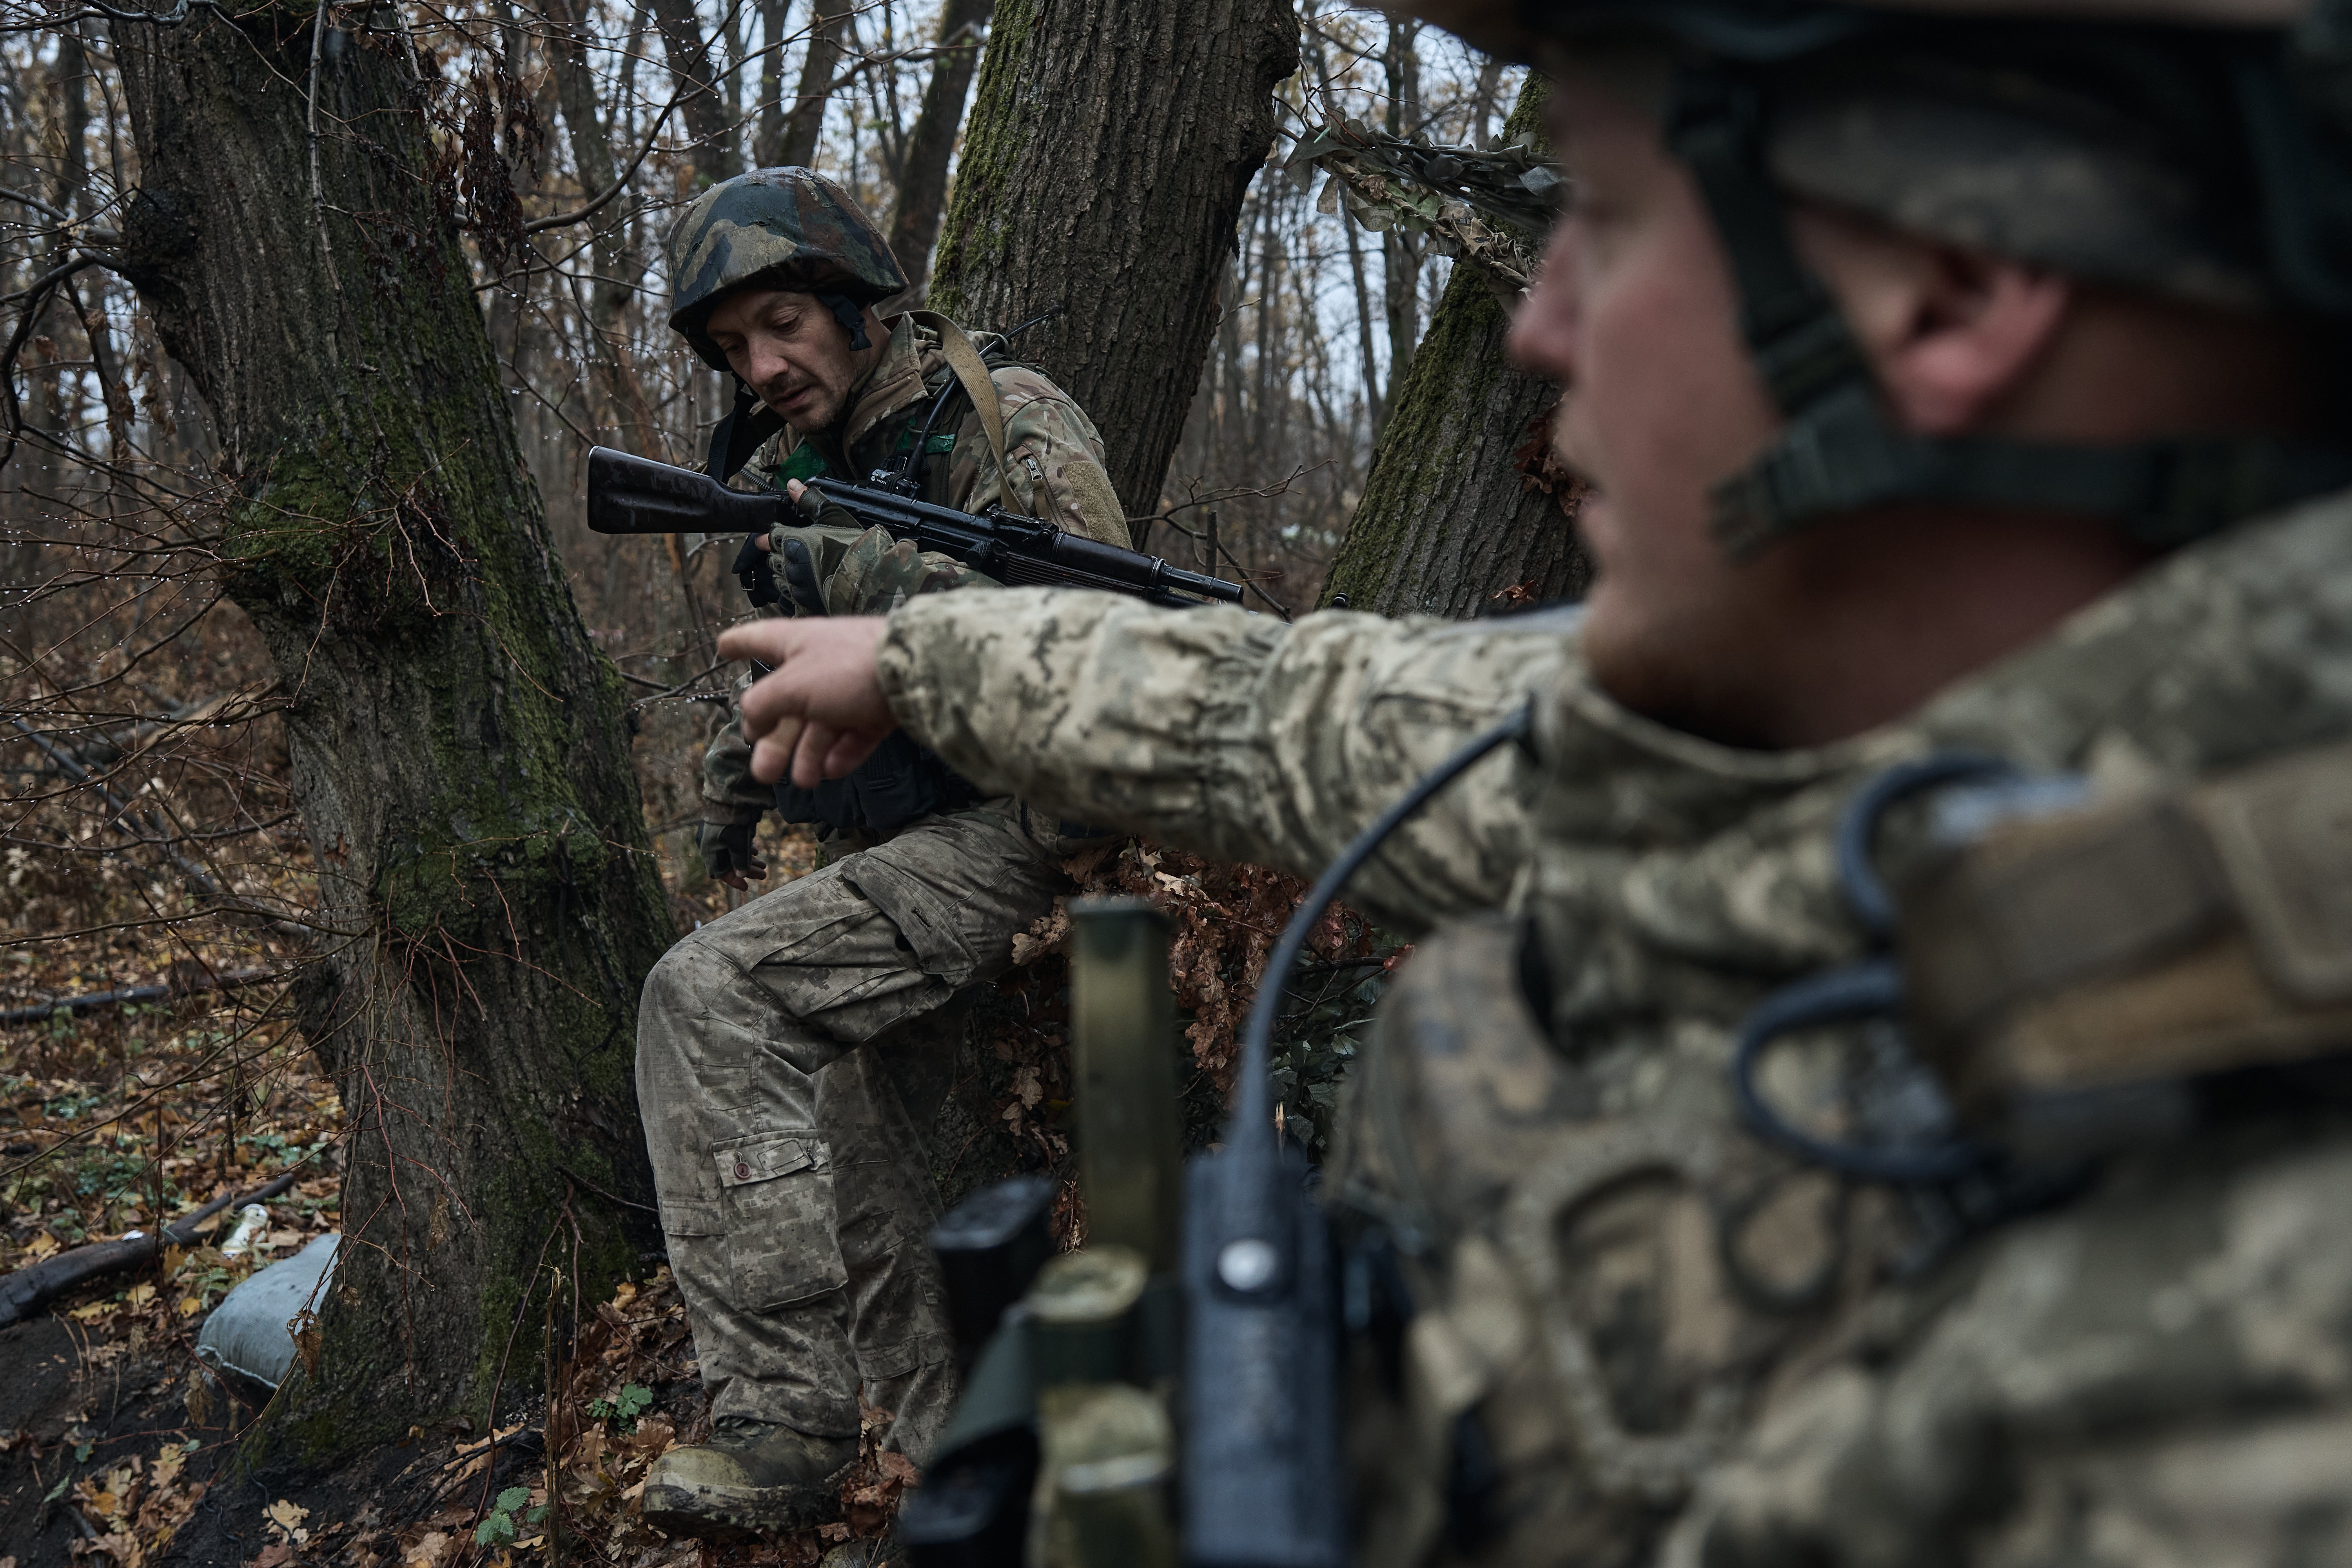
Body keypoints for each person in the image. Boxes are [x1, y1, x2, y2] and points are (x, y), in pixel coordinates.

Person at [718, 7, 2352, 1565]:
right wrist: (927, 660)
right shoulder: (1822, 726)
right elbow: (1318, 712)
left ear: (1951, 287)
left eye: (1617, 218)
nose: (1538, 323)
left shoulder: (2241, 1377)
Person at [633, 166, 1131, 1539]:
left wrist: (863, 578)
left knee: (711, 996)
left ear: (859, 306)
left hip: (1045, 826)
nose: (765, 364)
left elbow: (1107, 660)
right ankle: (950, 1485)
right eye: (736, 348)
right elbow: (781, 686)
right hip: (919, 836)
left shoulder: (1002, 421)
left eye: (785, 322)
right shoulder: (805, 470)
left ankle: (781, 1420)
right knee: (871, 1200)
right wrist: (707, 833)